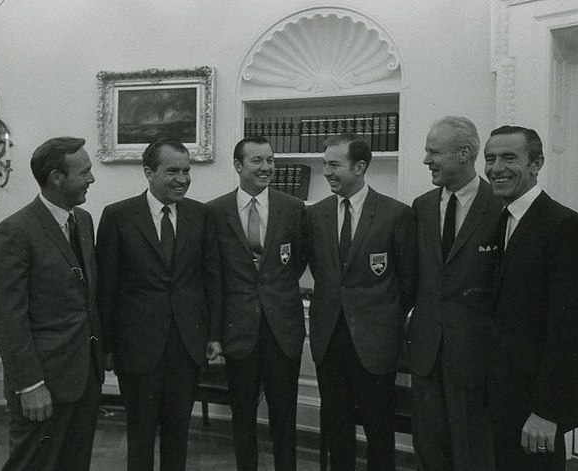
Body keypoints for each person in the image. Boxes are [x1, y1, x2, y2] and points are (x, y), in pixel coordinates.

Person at [96, 137, 222, 471]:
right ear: (149, 172)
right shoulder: (118, 216)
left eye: (186, 170)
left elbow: (212, 280)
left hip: (187, 345)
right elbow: (106, 288)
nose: (183, 178)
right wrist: (107, 345)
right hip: (136, 349)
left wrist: (213, 335)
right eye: (173, 171)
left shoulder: (201, 215)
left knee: (179, 434)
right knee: (140, 435)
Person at [0, 137, 103, 470]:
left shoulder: (83, 221)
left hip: (84, 378)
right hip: (43, 384)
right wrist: (30, 384)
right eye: (84, 172)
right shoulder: (14, 232)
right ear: (56, 177)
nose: (91, 179)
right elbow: (6, 317)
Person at [306, 132, 416, 471]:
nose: (326, 172)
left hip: (375, 343)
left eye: (335, 165)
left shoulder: (395, 214)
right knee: (337, 427)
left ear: (361, 167)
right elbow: (320, 271)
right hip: (329, 340)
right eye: (325, 164)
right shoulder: (315, 214)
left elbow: (408, 282)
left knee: (378, 431)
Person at [484, 125, 578, 470]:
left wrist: (546, 411)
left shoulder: (563, 225)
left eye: (509, 158)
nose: (496, 168)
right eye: (491, 158)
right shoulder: (505, 220)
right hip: (503, 398)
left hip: (536, 408)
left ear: (537, 163)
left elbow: (571, 330)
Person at [207, 136, 307, 471]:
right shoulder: (216, 211)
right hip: (239, 330)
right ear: (238, 166)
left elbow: (297, 262)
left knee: (284, 417)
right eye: (257, 161)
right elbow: (214, 276)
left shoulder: (293, 208)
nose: (266, 168)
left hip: (282, 329)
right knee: (243, 416)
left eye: (270, 160)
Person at [407, 116, 500, 470]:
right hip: (427, 353)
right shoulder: (422, 206)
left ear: (464, 154)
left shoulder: (498, 206)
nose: (427, 160)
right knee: (429, 452)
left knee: (473, 454)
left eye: (434, 152)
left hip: (476, 358)